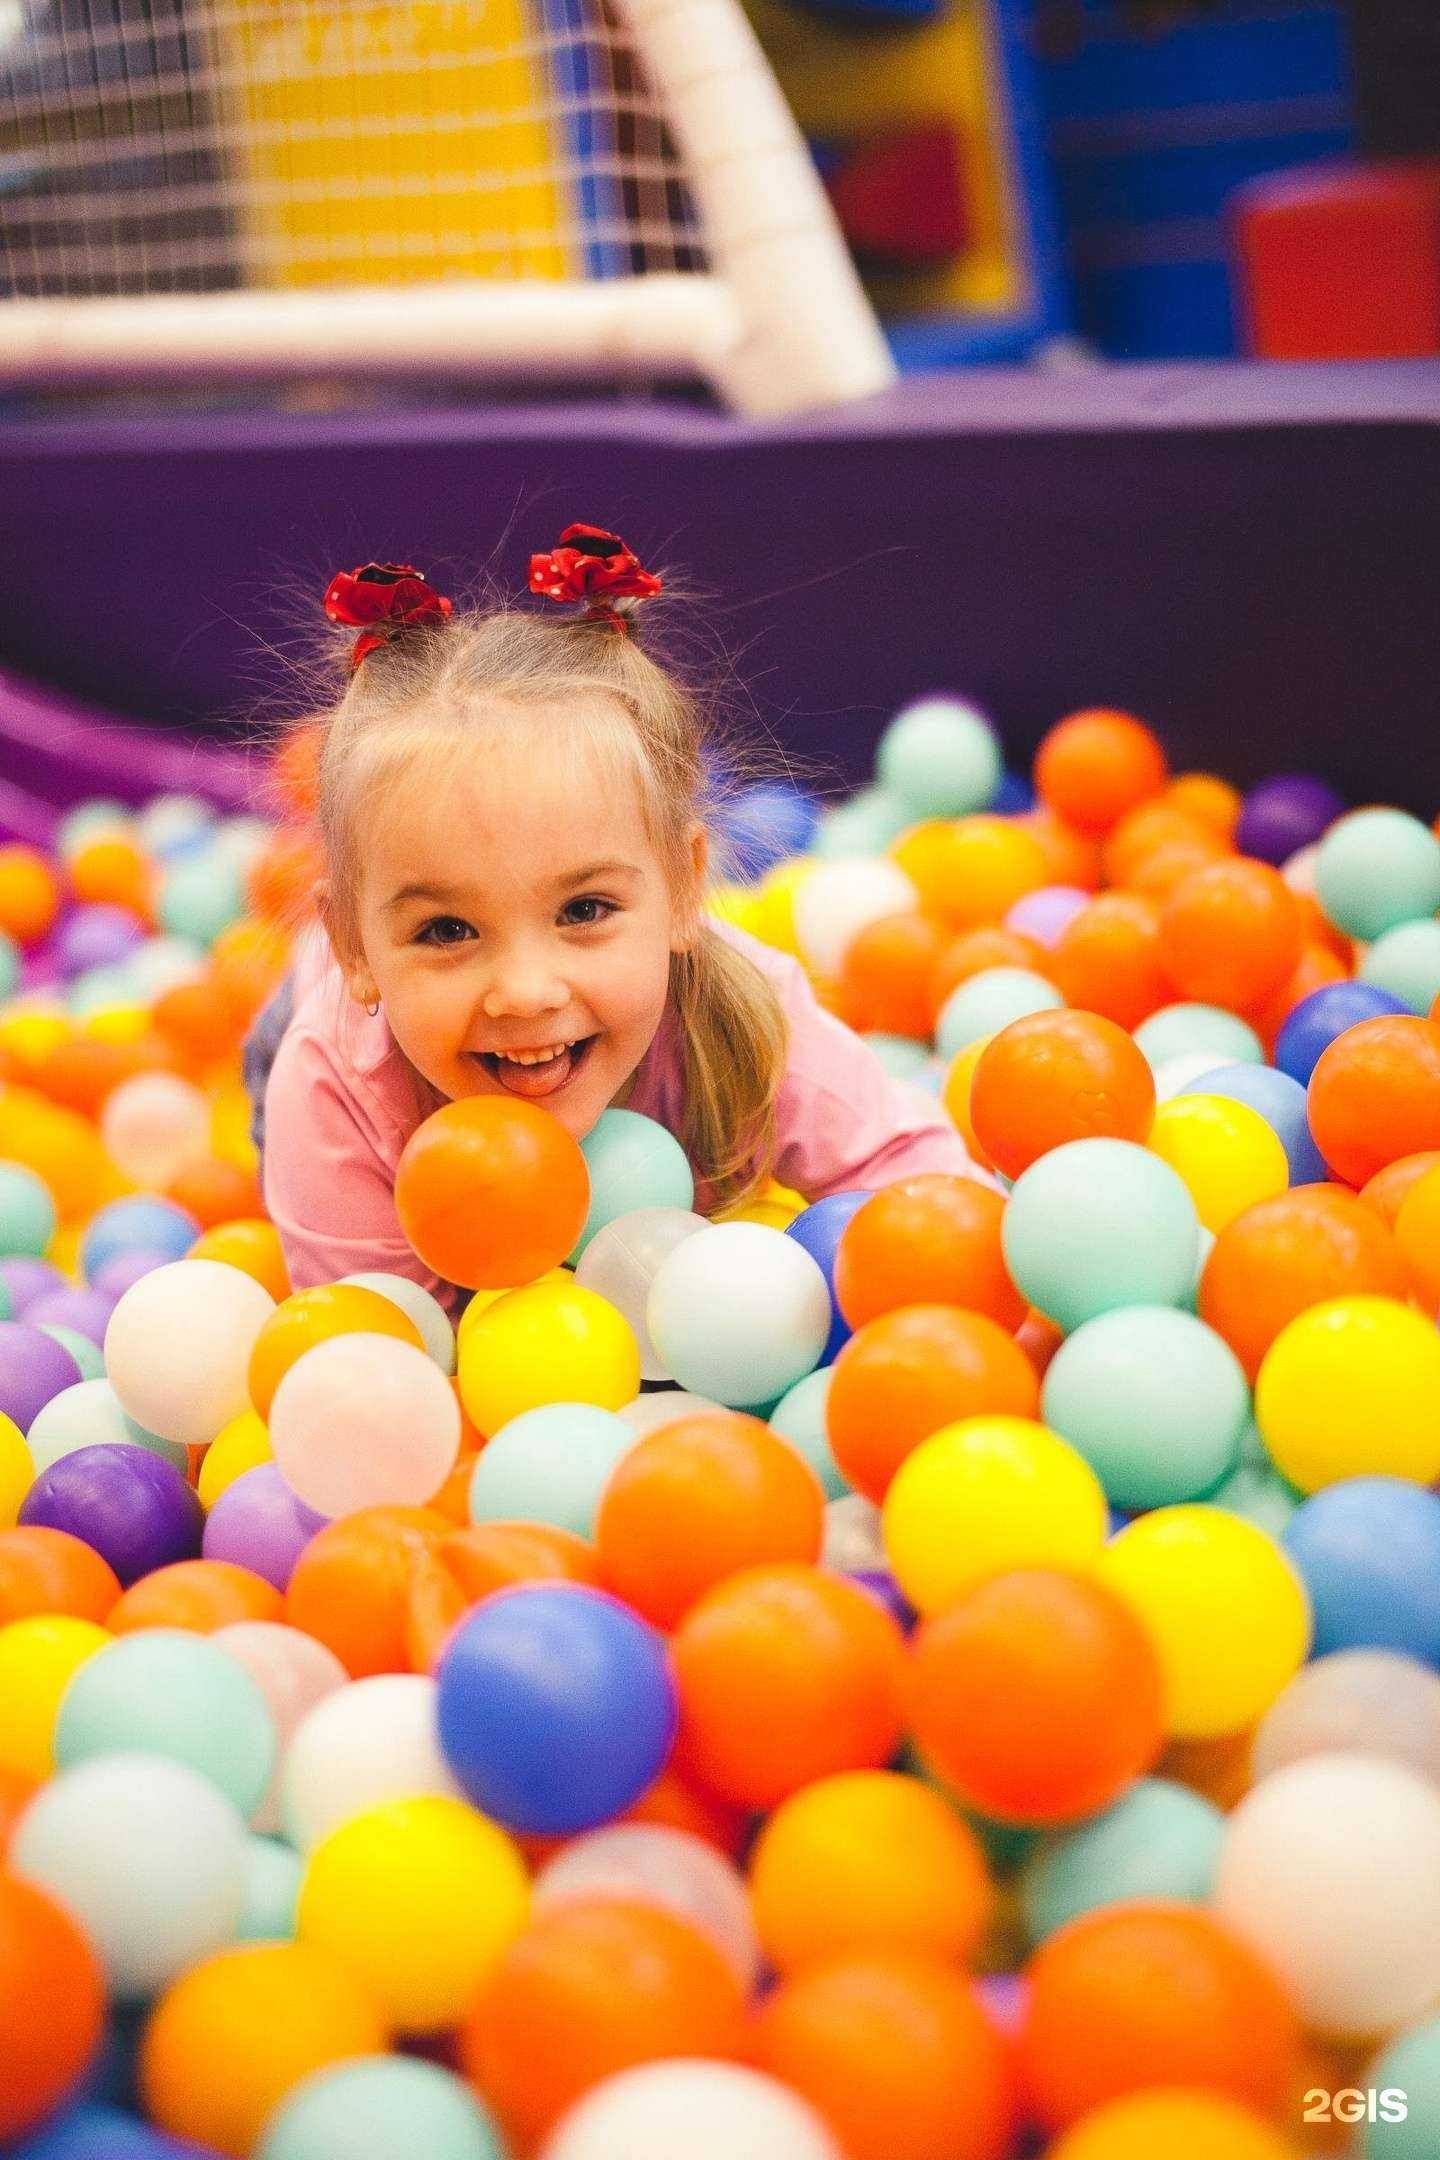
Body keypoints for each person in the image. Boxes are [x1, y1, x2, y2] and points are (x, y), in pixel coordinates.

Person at [248, 524, 990, 1314]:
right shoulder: (335, 1086)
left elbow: (924, 1194)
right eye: (447, 930)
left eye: (584, 910)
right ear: (355, 944)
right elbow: (384, 1346)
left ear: (683, 889)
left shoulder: (743, 1016)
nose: (526, 991)